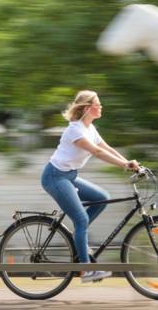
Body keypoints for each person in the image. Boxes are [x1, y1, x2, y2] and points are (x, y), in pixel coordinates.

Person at [41, 90, 140, 283]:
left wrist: (130, 163)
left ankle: (80, 240)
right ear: (87, 108)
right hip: (55, 177)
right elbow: (96, 151)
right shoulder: (75, 130)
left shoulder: (90, 128)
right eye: (98, 103)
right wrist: (123, 165)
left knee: (101, 197)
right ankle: (85, 271)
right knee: (81, 220)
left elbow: (106, 148)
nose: (101, 106)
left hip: (69, 176)